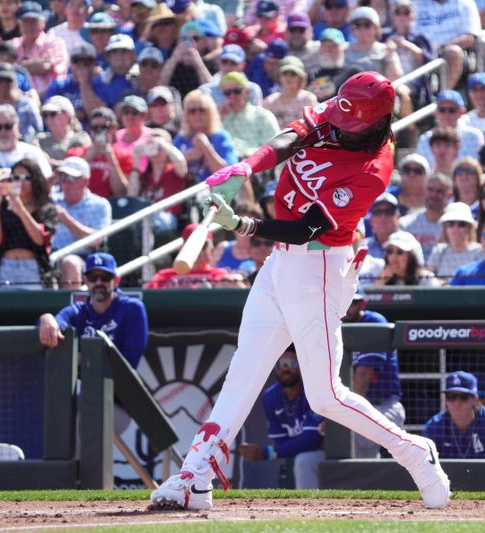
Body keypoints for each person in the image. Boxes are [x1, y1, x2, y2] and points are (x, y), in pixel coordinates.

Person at [149, 72, 450, 511]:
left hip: (318, 266)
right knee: (243, 370)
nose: (339, 125)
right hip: (280, 265)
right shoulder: (342, 108)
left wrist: (242, 226)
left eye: (350, 123)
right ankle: (194, 478)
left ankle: (414, 453)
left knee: (325, 396)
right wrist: (246, 167)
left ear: (375, 124)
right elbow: (290, 138)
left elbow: (307, 228)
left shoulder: (372, 171)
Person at [38, 252, 149, 369]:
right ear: (85, 280)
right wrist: (46, 318)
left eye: (105, 277)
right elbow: (57, 323)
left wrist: (81, 359)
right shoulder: (78, 310)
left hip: (120, 385)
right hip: (84, 385)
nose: (98, 282)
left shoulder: (131, 308)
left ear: (116, 280)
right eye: (93, 277)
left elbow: (129, 362)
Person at [239, 346, 325, 489]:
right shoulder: (270, 397)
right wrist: (291, 446)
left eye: (292, 364)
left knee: (302, 460)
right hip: (306, 455)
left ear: (302, 365)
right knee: (300, 460)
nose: (285, 369)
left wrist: (266, 453)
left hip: (330, 451)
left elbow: (311, 440)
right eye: (279, 364)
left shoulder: (313, 389)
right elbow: (281, 441)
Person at [343, 289, 405, 459]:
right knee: (360, 457)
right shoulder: (333, 323)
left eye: (352, 302)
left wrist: (345, 414)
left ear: (362, 304)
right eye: (343, 299)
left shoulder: (373, 321)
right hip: (356, 406)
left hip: (385, 406)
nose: (346, 306)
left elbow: (363, 375)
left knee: (355, 436)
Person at [0, 160, 57, 290]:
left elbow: (40, 240)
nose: (21, 182)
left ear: (36, 180)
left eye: (27, 178)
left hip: (34, 268)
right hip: (5, 266)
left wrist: (20, 209)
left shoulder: (47, 208)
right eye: (16, 177)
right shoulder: (2, 207)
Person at [422, 371, 485, 459]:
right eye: (451, 397)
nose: (457, 403)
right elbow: (425, 466)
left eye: (463, 397)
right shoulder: (434, 426)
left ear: (475, 399)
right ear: (445, 400)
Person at [51, 156, 112, 258]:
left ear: (85, 181)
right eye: (62, 177)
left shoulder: (100, 205)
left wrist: (66, 220)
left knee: (70, 262)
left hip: (82, 259)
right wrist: (51, 180)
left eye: (70, 178)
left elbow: (97, 241)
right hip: (50, 258)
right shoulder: (52, 200)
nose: (65, 183)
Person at [173, 90, 238, 183]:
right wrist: (188, 157)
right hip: (185, 191)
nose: (197, 114)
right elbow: (168, 169)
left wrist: (206, 148)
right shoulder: (182, 138)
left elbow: (230, 174)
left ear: (210, 112)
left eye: (202, 110)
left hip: (214, 190)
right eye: (192, 111)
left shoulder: (221, 137)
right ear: (186, 115)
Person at [413, 0, 481, 88]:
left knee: (453, 52)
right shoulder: (417, 3)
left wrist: (441, 47)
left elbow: (470, 37)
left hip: (453, 51)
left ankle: (444, 96)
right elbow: (410, 31)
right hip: (423, 50)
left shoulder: (464, 3)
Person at [66, 107, 131, 198]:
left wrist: (112, 161)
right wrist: (87, 158)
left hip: (112, 204)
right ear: (90, 130)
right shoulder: (74, 154)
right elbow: (68, 187)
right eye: (95, 128)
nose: (99, 131)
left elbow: (121, 193)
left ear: (114, 129)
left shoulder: (125, 156)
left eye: (105, 127)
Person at [416, 90, 484, 171]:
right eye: (442, 110)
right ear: (435, 112)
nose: (446, 114)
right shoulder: (425, 139)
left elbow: (478, 168)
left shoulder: (474, 136)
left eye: (452, 110)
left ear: (462, 112)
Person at [146, 223, 230, 288]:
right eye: (193, 245)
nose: (198, 251)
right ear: (182, 248)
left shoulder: (220, 275)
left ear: (212, 249)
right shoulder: (163, 276)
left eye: (202, 245)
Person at [11, 1, 67, 98]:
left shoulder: (54, 41)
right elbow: (7, 68)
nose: (29, 26)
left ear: (42, 23)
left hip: (51, 95)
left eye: (33, 21)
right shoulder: (13, 44)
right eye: (26, 22)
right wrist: (37, 63)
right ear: (19, 24)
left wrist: (18, 65)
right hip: (20, 98)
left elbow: (45, 66)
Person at [0, 104, 52, 179]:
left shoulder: (33, 153)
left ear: (17, 126)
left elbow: (46, 180)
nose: (3, 131)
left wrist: (15, 175)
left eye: (8, 126)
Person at [427, 202, 482, 283]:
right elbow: (427, 279)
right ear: (445, 228)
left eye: (461, 224)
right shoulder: (439, 250)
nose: (455, 229)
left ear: (469, 228)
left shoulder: (479, 251)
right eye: (450, 224)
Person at [400, 174, 452, 259]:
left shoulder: (454, 224)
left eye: (439, 191)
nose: (433, 194)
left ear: (449, 195)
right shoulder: (406, 224)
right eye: (430, 190)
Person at [35, 95, 91, 170]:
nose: (48, 119)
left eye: (52, 114)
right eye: (45, 115)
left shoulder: (80, 138)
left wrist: (50, 162)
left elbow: (79, 165)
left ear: (67, 115)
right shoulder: (40, 139)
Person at [263, 56, 317, 129]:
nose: (289, 77)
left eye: (293, 74)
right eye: (285, 74)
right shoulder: (269, 102)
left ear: (301, 78)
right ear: (279, 76)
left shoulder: (308, 99)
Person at [374, 231, 439, 286]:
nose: (393, 257)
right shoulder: (382, 278)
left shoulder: (427, 280)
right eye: (390, 251)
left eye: (400, 252)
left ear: (411, 257)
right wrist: (380, 284)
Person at [457, 73, 485, 137]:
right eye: (475, 90)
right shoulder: (464, 121)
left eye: (484, 89)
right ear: (470, 94)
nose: (479, 94)